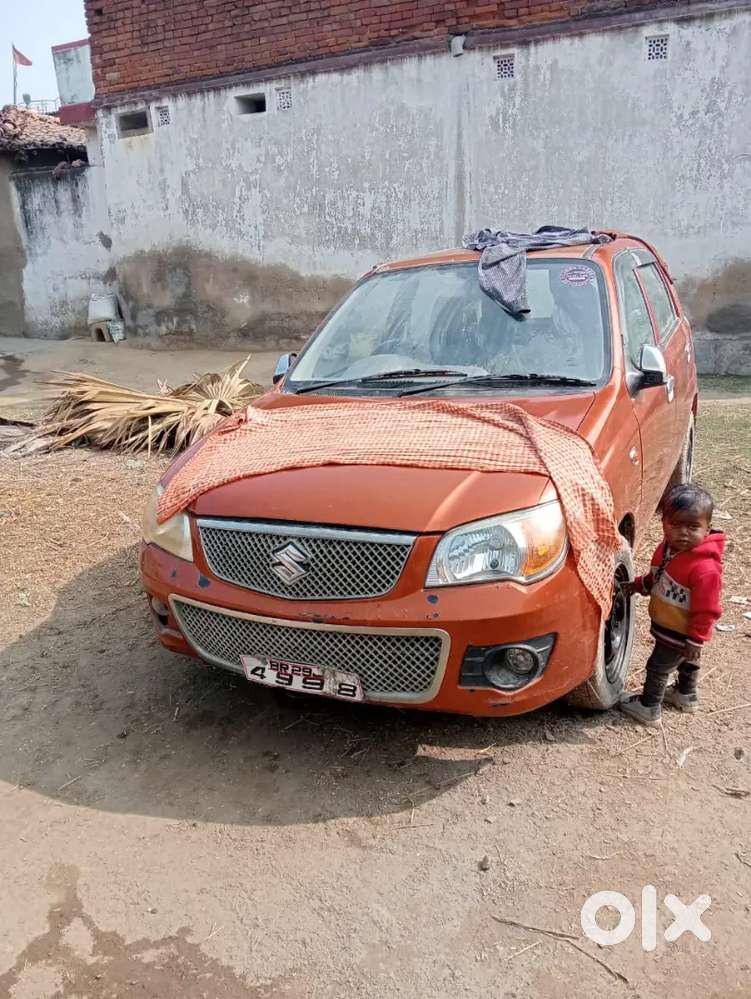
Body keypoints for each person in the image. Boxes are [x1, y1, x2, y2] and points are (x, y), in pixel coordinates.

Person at [619, 483, 725, 726]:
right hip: (671, 625)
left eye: (693, 527)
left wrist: (696, 639)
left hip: (681, 631)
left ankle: (649, 707)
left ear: (707, 528)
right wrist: (638, 585)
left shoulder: (704, 568)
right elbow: (658, 577)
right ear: (663, 522)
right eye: (675, 525)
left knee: (658, 667)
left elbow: (707, 610)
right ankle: (686, 695)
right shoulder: (667, 549)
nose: (683, 533)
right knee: (688, 661)